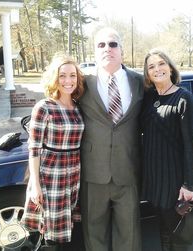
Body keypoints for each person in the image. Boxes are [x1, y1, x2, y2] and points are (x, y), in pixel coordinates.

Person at [79, 27, 144, 251]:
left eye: (113, 44)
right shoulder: (82, 84)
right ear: (94, 52)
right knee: (94, 232)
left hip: (128, 170)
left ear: (122, 51)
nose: (107, 49)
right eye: (101, 45)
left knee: (130, 234)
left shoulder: (139, 82)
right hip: (93, 172)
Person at [21, 53, 84, 251]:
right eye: (62, 75)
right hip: (52, 174)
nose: (68, 80)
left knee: (71, 230)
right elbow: (34, 148)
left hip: (74, 173)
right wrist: (35, 185)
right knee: (52, 234)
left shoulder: (77, 107)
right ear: (54, 78)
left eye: (72, 75)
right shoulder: (44, 107)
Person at [141, 49, 193, 251]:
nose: (157, 69)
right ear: (147, 74)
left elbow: (191, 146)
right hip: (155, 179)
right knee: (164, 229)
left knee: (179, 234)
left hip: (174, 181)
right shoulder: (149, 98)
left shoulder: (184, 99)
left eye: (161, 63)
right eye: (151, 66)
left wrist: (189, 185)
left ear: (170, 67)